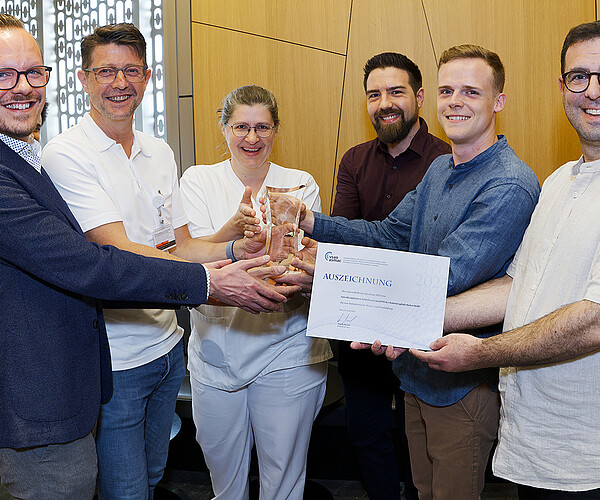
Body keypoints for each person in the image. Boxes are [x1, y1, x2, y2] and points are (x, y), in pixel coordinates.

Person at [0, 15, 291, 500]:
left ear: (147, 78)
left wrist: (238, 248)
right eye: (106, 71)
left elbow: (175, 246)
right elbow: (104, 257)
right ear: (83, 80)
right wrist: (210, 283)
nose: (120, 83)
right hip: (111, 358)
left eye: (132, 70)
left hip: (166, 343)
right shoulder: (62, 155)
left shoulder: (157, 150)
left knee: (153, 477)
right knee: (124, 489)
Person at [296, 45, 541, 500]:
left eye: (471, 91)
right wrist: (310, 222)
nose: (455, 102)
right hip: (416, 375)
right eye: (448, 90)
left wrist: (331, 278)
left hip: (461, 384)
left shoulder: (508, 184)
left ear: (499, 101)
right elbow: (389, 233)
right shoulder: (439, 169)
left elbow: (443, 275)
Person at [408, 20, 600, 499]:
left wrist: (481, 353)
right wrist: (413, 321)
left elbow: (593, 323)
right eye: (579, 77)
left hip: (590, 458)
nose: (592, 91)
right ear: (562, 87)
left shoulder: (515, 181)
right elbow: (517, 286)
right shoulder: (560, 183)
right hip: (536, 445)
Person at [179, 85, 332, 500]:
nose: (252, 138)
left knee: (283, 480)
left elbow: (305, 261)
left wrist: (284, 272)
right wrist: (233, 231)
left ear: (276, 129)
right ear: (223, 128)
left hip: (286, 349)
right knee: (223, 480)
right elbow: (185, 255)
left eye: (262, 127)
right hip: (217, 347)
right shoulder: (198, 180)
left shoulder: (298, 184)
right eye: (241, 127)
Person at [331, 52, 449, 500]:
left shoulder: (445, 161)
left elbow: (435, 251)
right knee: (368, 434)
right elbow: (344, 238)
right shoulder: (354, 161)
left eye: (396, 92)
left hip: (425, 326)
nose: (385, 103)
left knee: (425, 439)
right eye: (374, 94)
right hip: (362, 326)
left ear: (419, 97)